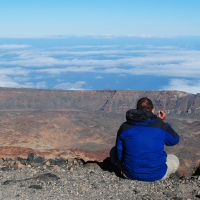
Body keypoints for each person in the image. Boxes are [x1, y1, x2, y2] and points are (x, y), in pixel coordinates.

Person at [110, 97, 180, 182]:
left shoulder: (125, 126)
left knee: (113, 151)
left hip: (130, 174)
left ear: (137, 110)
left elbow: (119, 151)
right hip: (157, 175)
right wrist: (164, 122)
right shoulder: (160, 125)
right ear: (153, 110)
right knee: (174, 159)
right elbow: (175, 140)